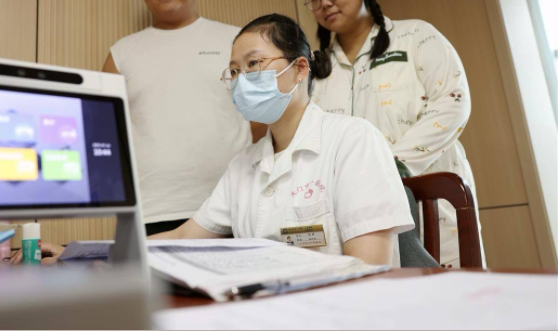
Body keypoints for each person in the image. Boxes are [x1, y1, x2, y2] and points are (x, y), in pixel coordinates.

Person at [150, 14, 414, 266]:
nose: (241, 80)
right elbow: (185, 237)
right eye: (234, 71)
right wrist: (125, 250)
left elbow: (369, 268)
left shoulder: (354, 139)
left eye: (254, 63)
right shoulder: (242, 164)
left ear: (300, 68)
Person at [303, 0, 482, 268]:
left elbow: (452, 102)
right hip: (355, 216)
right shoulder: (318, 72)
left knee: (449, 288)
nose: (325, 3)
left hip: (430, 199)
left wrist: (391, 165)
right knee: (377, 290)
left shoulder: (415, 36)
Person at [102, 0, 254, 235]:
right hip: (152, 209)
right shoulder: (120, 54)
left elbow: (260, 121)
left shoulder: (237, 41)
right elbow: (107, 134)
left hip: (233, 204)